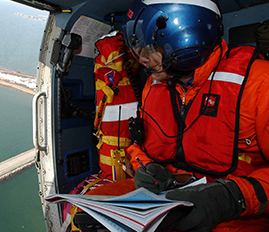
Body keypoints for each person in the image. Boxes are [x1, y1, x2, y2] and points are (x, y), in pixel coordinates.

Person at [83, 0, 269, 231]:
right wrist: (143, 166)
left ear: (187, 38)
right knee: (93, 211)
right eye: (138, 50)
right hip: (164, 195)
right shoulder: (155, 84)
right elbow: (143, 145)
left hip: (234, 207)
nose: (142, 60)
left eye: (150, 50)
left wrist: (233, 197)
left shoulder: (259, 83)